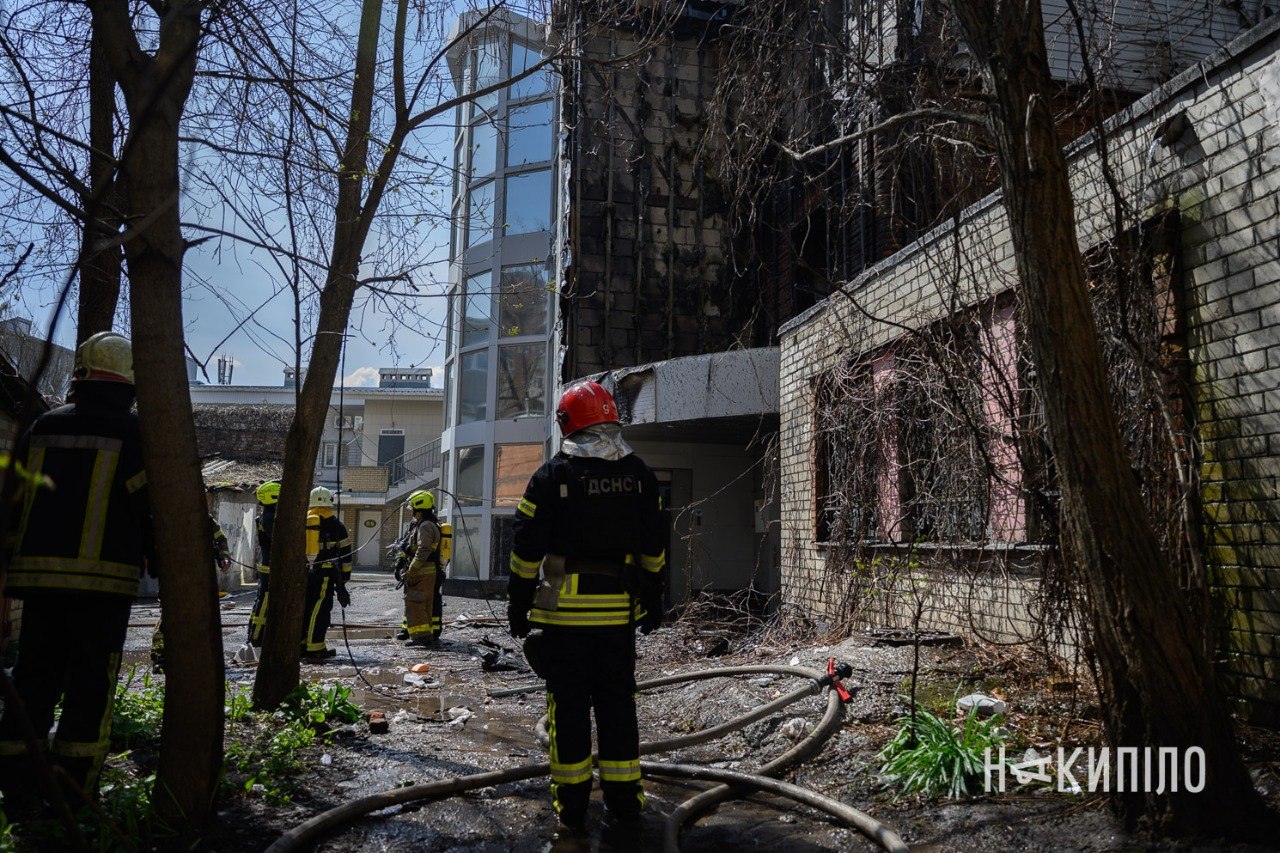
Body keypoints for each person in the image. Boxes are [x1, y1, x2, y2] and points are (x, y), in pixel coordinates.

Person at [507, 380, 667, 839]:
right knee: (618, 708)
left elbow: (526, 548)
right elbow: (655, 543)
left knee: (568, 711)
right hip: (617, 618)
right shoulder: (638, 474)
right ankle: (625, 802)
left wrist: (519, 601)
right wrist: (652, 596)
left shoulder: (551, 476)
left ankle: (572, 806)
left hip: (563, 620)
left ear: (567, 423)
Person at [0, 331, 154, 799]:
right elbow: (150, 510)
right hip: (102, 590)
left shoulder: (41, 428)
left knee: (32, 680)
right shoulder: (132, 434)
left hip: (39, 585)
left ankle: (16, 787)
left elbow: (11, 504)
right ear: (127, 381)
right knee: (90, 689)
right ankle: (73, 791)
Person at [150, 512, 230, 672]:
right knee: (168, 616)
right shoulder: (167, 514)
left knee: (200, 615)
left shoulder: (205, 518)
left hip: (199, 575)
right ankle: (160, 657)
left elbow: (220, 539)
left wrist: (223, 557)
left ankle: (196, 656)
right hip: (172, 573)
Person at [301, 486, 351, 660]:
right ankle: (315, 648)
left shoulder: (303, 520)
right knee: (320, 609)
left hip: (303, 572)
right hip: (325, 574)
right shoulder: (336, 525)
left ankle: (301, 644)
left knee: (305, 606)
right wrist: (344, 578)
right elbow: (346, 554)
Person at [395, 489, 443, 648]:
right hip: (426, 570)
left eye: (412, 507)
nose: (411, 510)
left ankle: (421, 637)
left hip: (423, 571)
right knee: (423, 603)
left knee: (415, 602)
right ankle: (425, 636)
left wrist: (412, 569)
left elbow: (424, 549)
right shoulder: (424, 523)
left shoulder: (425, 526)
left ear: (419, 507)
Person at [248, 479, 279, 646]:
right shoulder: (270, 518)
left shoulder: (266, 515)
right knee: (265, 599)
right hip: (269, 565)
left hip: (266, 563)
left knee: (262, 599)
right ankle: (257, 637)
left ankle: (254, 634)